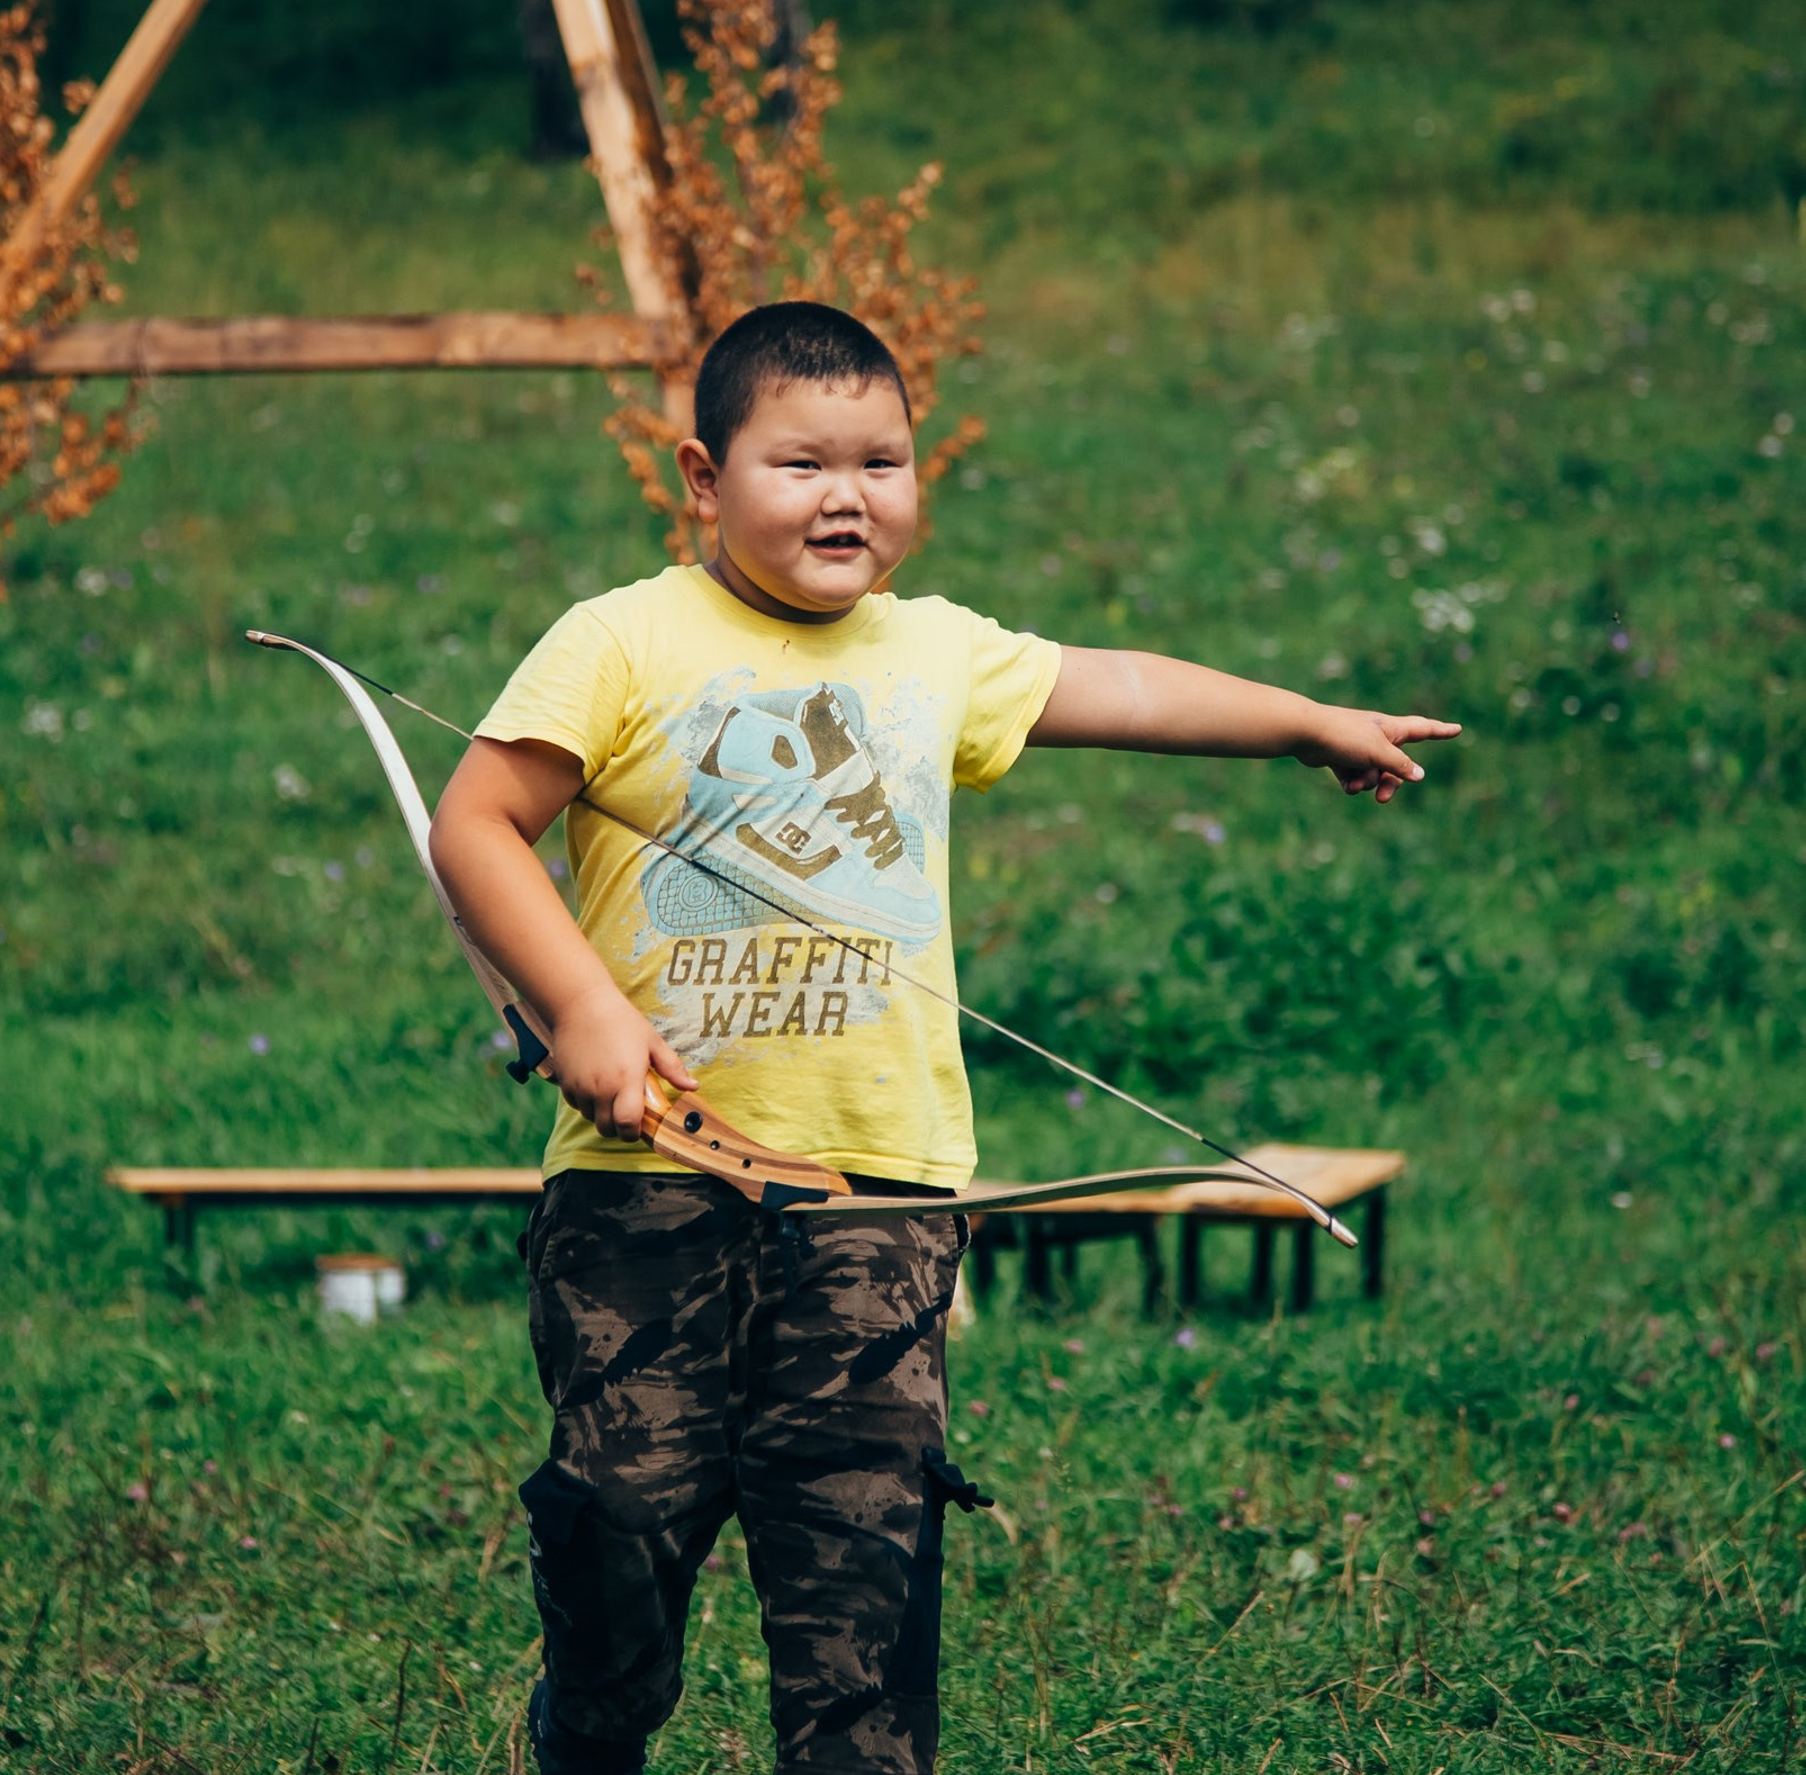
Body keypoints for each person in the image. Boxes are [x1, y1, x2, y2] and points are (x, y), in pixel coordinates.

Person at [428, 302, 1459, 1774]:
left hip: (880, 1200)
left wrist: (1306, 720)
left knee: (862, 1555)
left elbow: (1126, 683)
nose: (848, 494)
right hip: (643, 1186)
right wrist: (585, 1010)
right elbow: (477, 825)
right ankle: (587, 1725)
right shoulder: (621, 639)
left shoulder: (934, 654)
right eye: (800, 463)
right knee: (622, 1523)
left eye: (883, 460)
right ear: (703, 479)